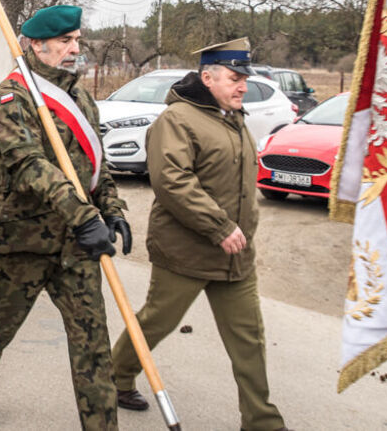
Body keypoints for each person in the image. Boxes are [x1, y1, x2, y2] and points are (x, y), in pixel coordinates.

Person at [0, 5, 129, 431]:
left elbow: (95, 164)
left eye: (76, 40)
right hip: (22, 243)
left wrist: (111, 209)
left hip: (76, 246)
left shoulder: (80, 96)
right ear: (37, 44)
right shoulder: (11, 97)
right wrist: (85, 215)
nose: (74, 49)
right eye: (65, 41)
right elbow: (28, 165)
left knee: (92, 343)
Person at [109, 39, 288, 431]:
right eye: (234, 78)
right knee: (158, 320)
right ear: (208, 78)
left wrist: (238, 232)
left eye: (244, 78)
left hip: (235, 254)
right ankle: (116, 375)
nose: (243, 86)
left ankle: (261, 421)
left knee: (249, 338)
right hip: (186, 250)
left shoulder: (231, 116)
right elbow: (172, 181)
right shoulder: (177, 120)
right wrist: (219, 226)